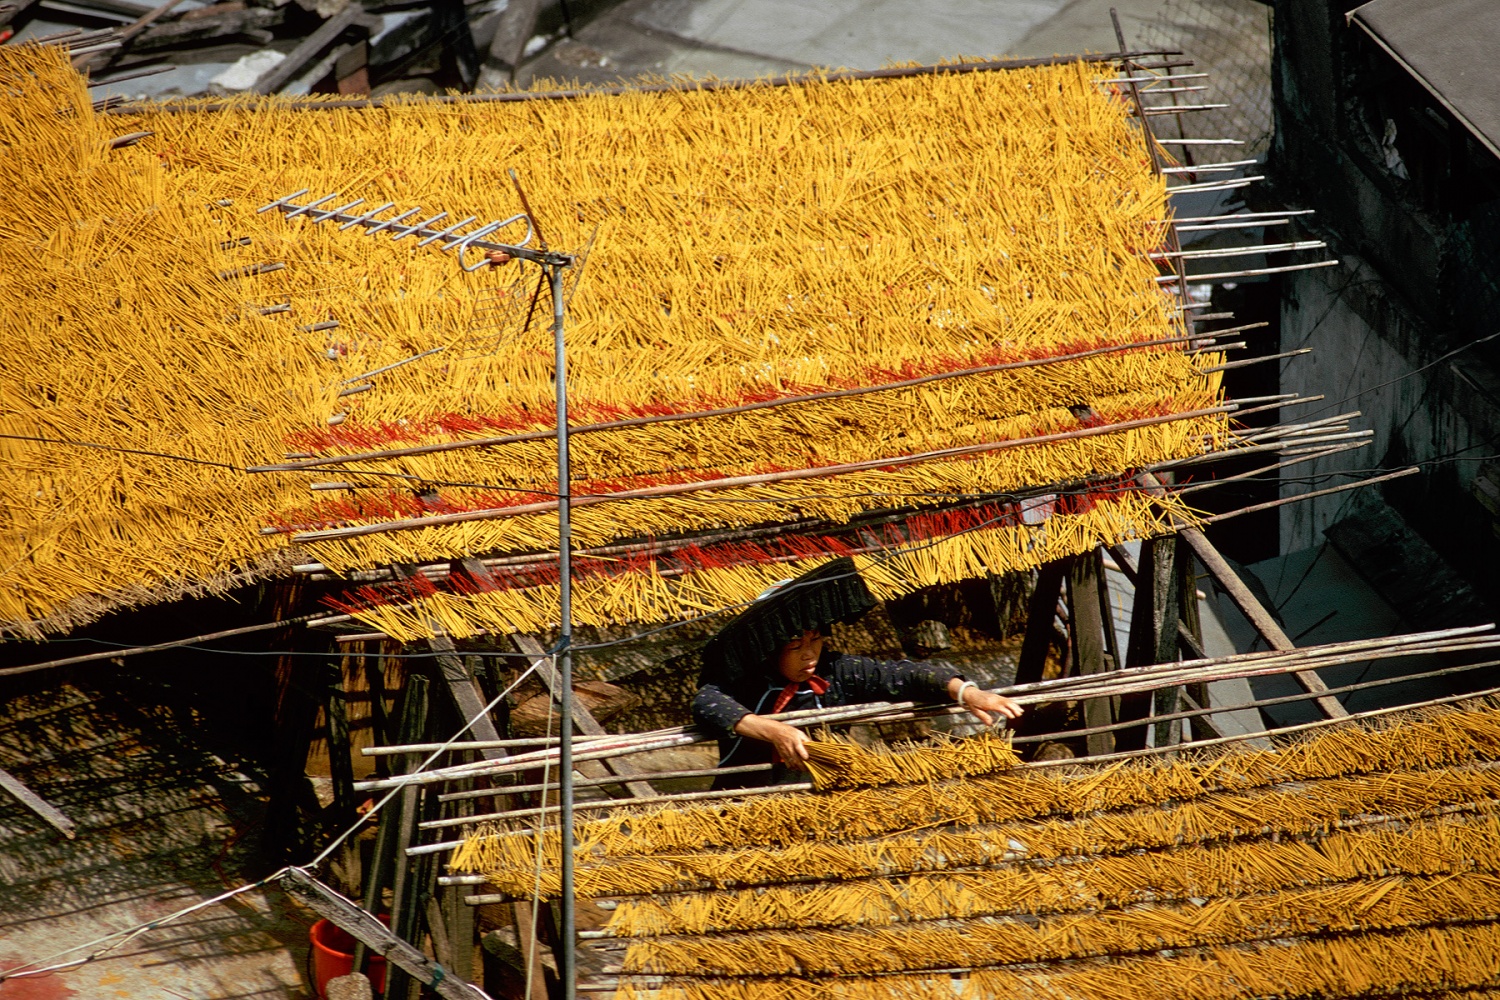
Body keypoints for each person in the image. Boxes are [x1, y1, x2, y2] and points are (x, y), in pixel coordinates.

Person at [691, 558, 1023, 788]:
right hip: (748, 798)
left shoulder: (836, 671)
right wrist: (773, 731)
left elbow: (902, 675)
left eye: (816, 640)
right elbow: (707, 700)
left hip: (820, 793)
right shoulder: (747, 680)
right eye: (795, 646)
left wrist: (969, 693)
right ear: (772, 647)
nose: (810, 654)